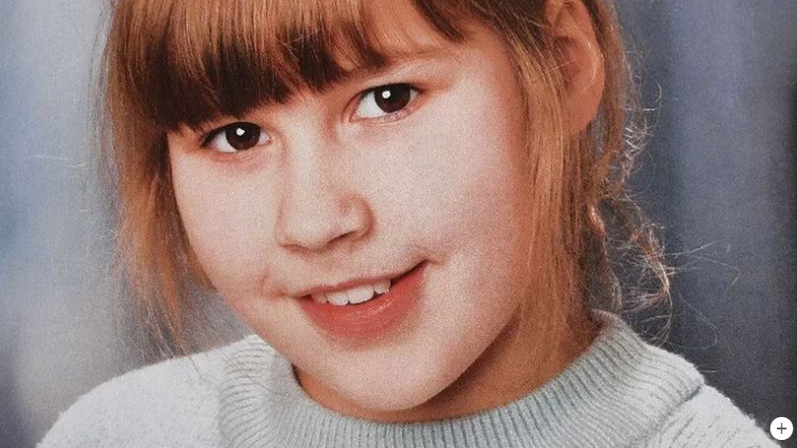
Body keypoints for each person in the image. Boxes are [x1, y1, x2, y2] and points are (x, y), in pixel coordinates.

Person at [40, 0, 778, 446]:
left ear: (560, 68)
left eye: (387, 99)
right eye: (237, 137)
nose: (314, 221)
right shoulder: (117, 435)